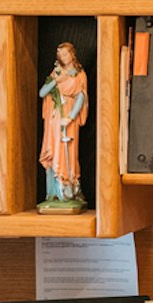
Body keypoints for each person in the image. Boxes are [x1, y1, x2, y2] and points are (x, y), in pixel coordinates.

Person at [38, 41, 89, 209]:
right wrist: (56, 80)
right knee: (53, 149)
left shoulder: (79, 74)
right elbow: (42, 93)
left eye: (65, 54)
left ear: (72, 54)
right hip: (54, 117)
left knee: (67, 151)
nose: (62, 57)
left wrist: (71, 116)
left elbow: (81, 97)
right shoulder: (57, 72)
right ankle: (53, 192)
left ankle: (68, 190)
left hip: (68, 117)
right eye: (60, 55)